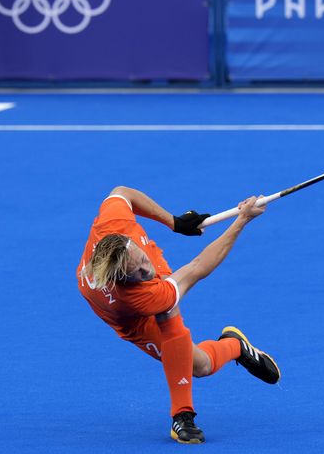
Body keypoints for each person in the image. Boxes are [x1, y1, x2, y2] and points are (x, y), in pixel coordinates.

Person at [76, 186, 280, 444]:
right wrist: (242, 220)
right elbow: (197, 268)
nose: (146, 270)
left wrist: (175, 222)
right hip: (131, 320)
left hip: (143, 292)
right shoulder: (139, 294)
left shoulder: (112, 224)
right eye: (136, 273)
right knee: (202, 366)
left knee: (166, 309)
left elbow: (122, 193)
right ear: (122, 279)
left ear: (126, 240)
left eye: (141, 259)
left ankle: (182, 415)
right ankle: (235, 345)